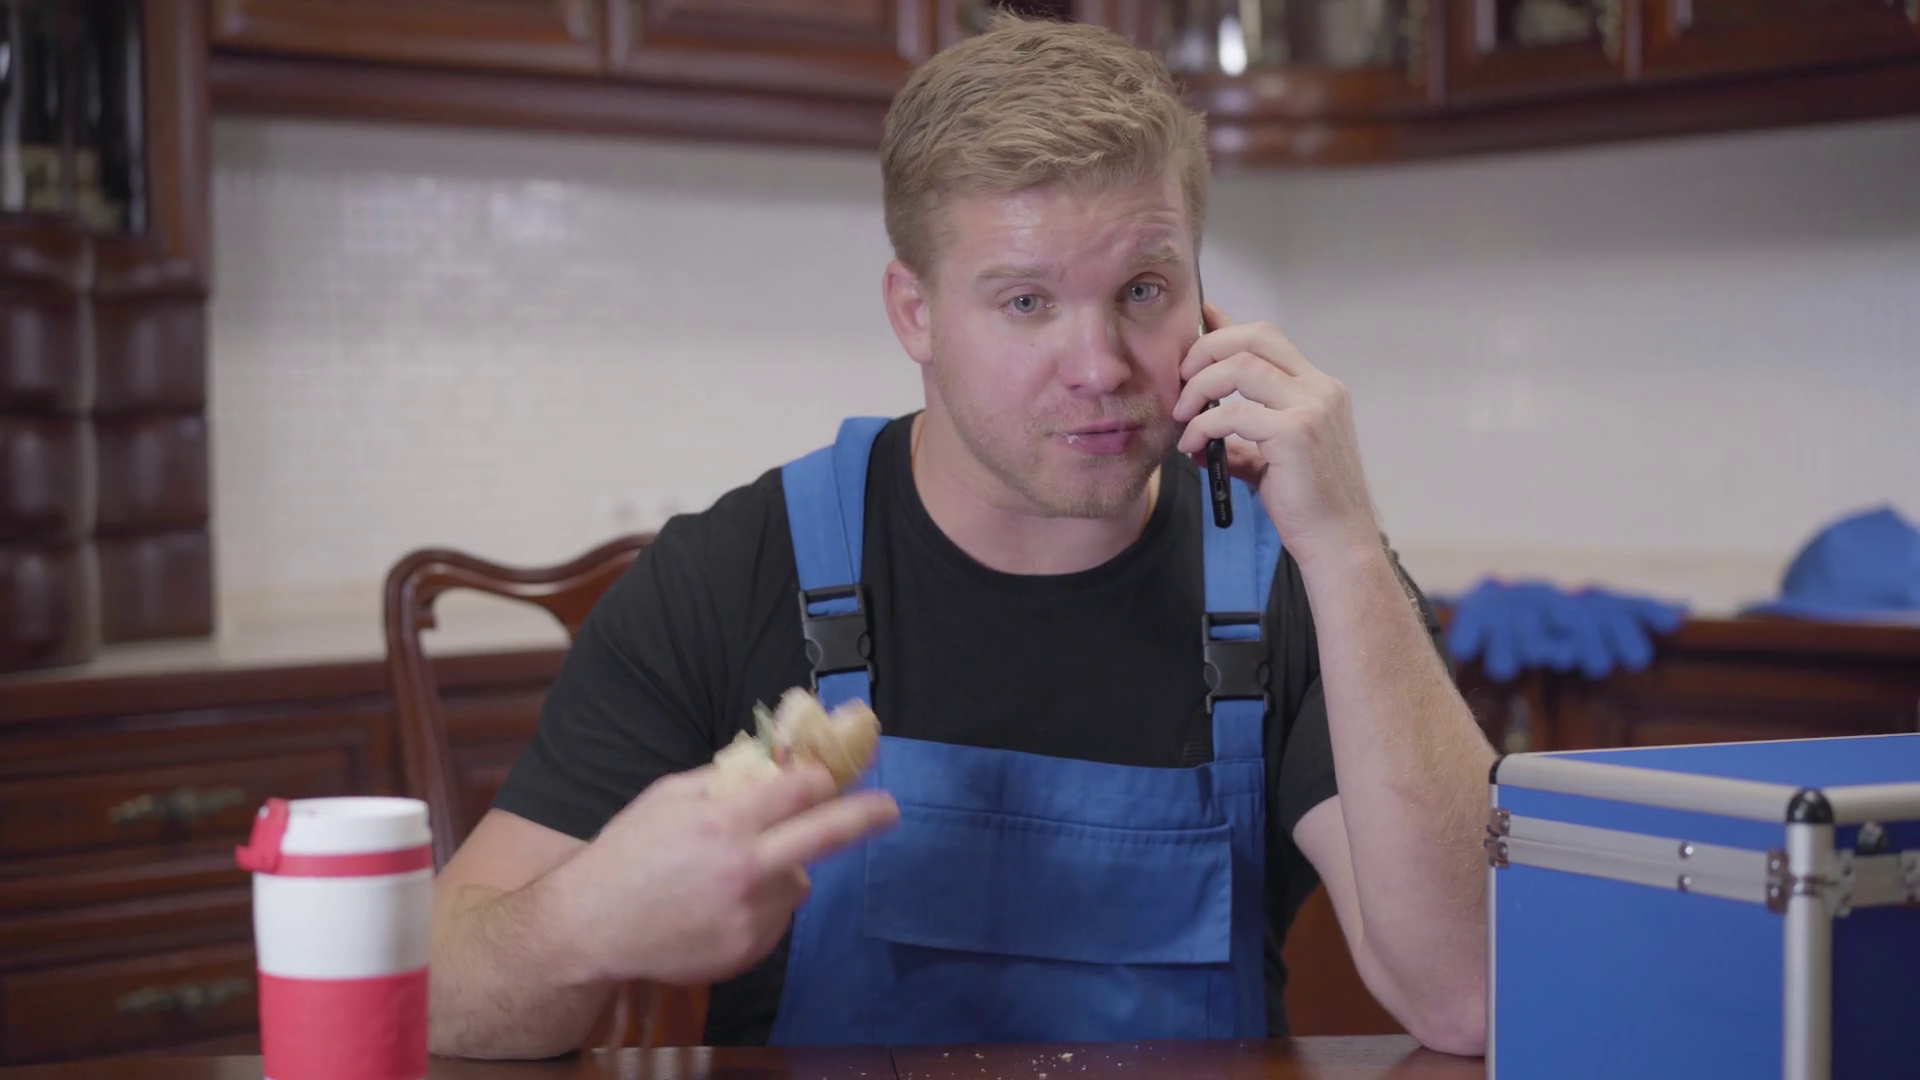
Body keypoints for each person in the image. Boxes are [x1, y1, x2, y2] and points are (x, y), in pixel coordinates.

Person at [427, 12, 1494, 1060]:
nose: (1101, 365)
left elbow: (1472, 999)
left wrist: (1350, 547)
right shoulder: (738, 571)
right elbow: (436, 991)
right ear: (915, 313)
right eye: (1026, 300)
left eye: (1144, 290)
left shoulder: (1297, 576)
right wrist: (587, 923)